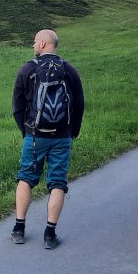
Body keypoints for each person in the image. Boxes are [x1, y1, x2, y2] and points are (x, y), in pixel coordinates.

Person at [11, 28, 85, 249]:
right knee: (57, 184)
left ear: (43, 44)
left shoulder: (28, 69)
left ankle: (19, 228)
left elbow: (17, 106)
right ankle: (50, 235)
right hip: (62, 136)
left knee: (25, 178)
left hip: (34, 136)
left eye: (35, 42)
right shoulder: (69, 70)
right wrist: (73, 131)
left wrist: (26, 131)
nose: (33, 45)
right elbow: (79, 104)